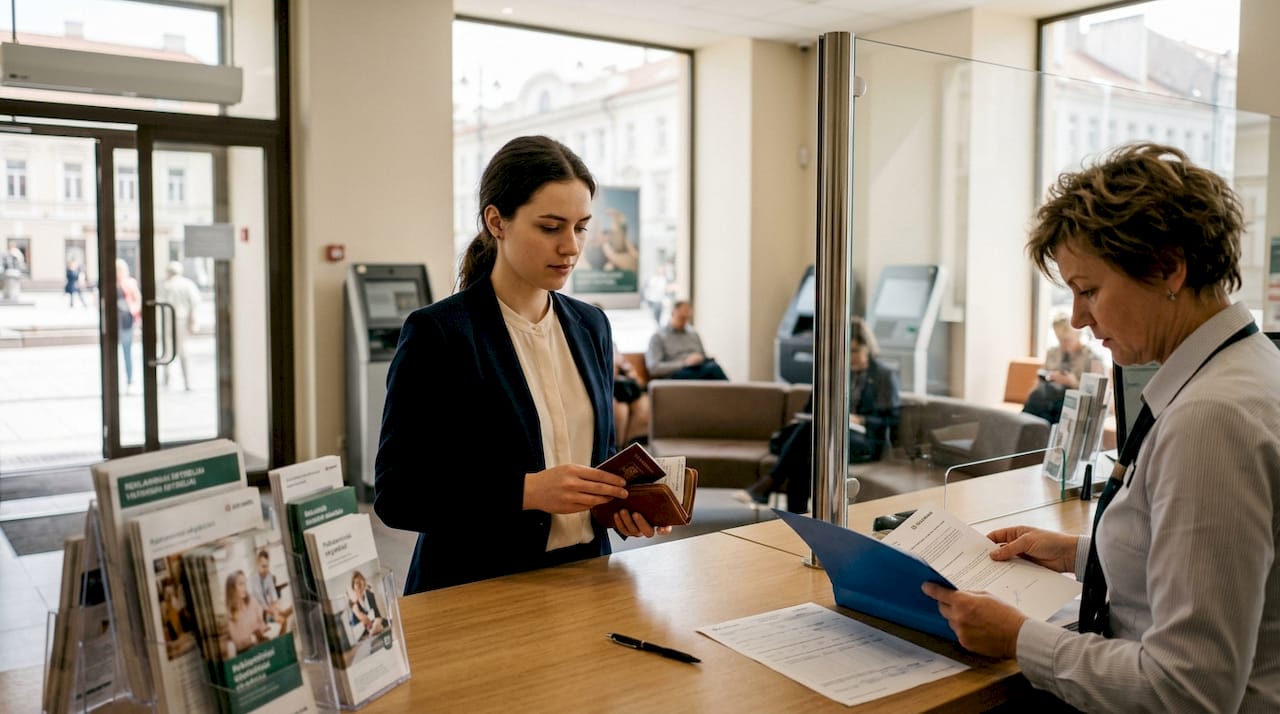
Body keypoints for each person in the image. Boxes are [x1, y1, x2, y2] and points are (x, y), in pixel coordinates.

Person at [921, 144, 1280, 711]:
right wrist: (1079, 554)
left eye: (1088, 290)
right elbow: (1224, 568)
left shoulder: (1211, 419)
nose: (1081, 317)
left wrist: (1019, 639)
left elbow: (1188, 691)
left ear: (1167, 267)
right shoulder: (1247, 369)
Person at [374, 135, 669, 595]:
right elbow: (399, 495)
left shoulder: (591, 326)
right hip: (476, 588)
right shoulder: (441, 334)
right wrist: (527, 491)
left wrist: (621, 509)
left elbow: (595, 464)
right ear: (497, 221)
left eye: (581, 227)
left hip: (585, 579)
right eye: (551, 227)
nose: (571, 247)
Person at [744, 317, 900, 512]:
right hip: (826, 436)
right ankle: (796, 516)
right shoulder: (833, 372)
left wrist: (860, 419)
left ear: (868, 348)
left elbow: (891, 420)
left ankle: (772, 485)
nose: (850, 357)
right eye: (846, 351)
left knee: (809, 437)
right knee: (805, 455)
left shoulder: (883, 376)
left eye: (855, 351)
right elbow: (811, 409)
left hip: (863, 440)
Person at [1022, 313, 1105, 423]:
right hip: (1048, 399)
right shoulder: (1052, 352)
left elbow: (1098, 398)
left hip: (1072, 405)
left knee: (1054, 406)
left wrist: (1073, 383)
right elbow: (1039, 382)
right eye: (1059, 340)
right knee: (1036, 395)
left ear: (1078, 334)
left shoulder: (1092, 359)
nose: (1062, 345)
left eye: (1066, 340)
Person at [644, 300, 728, 380]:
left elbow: (703, 355)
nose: (685, 320)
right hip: (675, 374)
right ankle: (733, 393)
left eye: (687, 317)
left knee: (713, 366)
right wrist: (684, 363)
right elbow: (654, 368)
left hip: (699, 369)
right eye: (681, 317)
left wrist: (700, 358)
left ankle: (731, 392)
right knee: (713, 370)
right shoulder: (658, 337)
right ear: (673, 312)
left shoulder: (693, 334)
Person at [161, 261, 201, 391]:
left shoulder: (167, 286)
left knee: (168, 350)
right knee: (183, 350)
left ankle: (166, 379)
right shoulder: (188, 284)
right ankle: (187, 381)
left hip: (170, 320)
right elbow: (195, 303)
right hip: (182, 320)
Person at [612, 344, 650, 448]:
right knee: (621, 408)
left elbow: (639, 383)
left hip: (629, 392)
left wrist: (628, 371)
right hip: (614, 393)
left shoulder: (624, 366)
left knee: (642, 403)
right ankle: (619, 445)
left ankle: (630, 443)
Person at [224, 570, 268, 656]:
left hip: (261, 644)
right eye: (240, 584)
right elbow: (238, 642)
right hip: (246, 654)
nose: (244, 588)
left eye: (245, 583)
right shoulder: (230, 613)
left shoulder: (251, 600)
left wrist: (260, 630)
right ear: (232, 588)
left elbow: (262, 623)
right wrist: (253, 636)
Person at [249, 549, 293, 632]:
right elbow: (261, 601)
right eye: (263, 566)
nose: (266, 569)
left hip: (267, 611)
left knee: (283, 617)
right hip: (257, 613)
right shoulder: (253, 579)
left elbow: (273, 595)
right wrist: (274, 613)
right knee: (282, 619)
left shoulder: (268, 576)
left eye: (267, 566)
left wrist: (275, 610)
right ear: (257, 564)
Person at [115, 259, 141, 391]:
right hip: (114, 321)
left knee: (127, 352)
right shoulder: (109, 283)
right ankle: (116, 381)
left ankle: (129, 380)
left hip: (126, 320)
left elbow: (137, 300)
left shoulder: (129, 283)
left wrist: (133, 312)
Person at [347, 570, 387, 640]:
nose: (360, 585)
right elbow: (353, 626)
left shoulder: (370, 595)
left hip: (374, 626)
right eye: (357, 583)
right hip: (363, 632)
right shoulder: (353, 604)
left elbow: (377, 615)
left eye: (361, 582)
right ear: (353, 587)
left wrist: (376, 623)